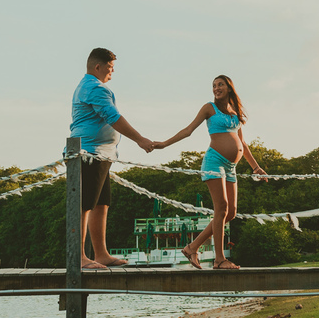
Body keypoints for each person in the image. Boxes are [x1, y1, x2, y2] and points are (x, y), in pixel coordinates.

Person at [154, 75, 265, 269]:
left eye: (220, 84)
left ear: (229, 87)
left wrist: (255, 167)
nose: (216, 88)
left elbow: (242, 143)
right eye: (214, 86)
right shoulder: (209, 108)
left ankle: (192, 247)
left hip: (231, 167)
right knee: (221, 208)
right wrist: (164, 144)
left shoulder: (235, 111)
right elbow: (188, 130)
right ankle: (219, 259)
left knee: (231, 213)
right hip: (214, 162)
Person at [70, 47, 156, 269]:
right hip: (89, 153)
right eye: (110, 67)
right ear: (98, 67)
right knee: (84, 204)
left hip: (101, 154)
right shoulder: (94, 88)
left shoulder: (91, 86)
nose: (112, 71)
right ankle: (79, 257)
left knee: (101, 203)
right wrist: (139, 139)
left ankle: (101, 254)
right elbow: (113, 116)